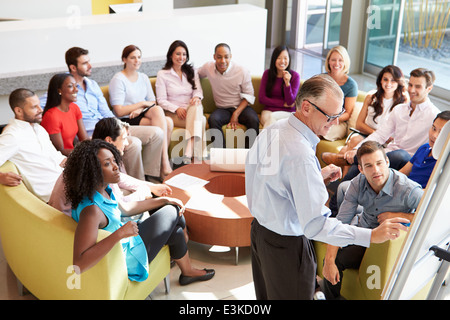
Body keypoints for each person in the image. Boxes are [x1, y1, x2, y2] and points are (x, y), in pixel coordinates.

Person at [245, 74, 409, 300]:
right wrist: (370, 236)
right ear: (306, 107)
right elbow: (316, 226)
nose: (335, 123)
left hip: (259, 233)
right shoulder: (300, 154)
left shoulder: (274, 128)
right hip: (286, 246)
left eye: (339, 115)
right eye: (331, 116)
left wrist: (314, 177)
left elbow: (265, 178)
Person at [64, 139, 215, 285]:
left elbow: (126, 209)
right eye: (107, 164)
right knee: (172, 211)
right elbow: (79, 264)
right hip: (128, 258)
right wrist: (120, 234)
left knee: (173, 223)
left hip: (129, 242)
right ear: (92, 172)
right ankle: (185, 236)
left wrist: (163, 200)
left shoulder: (102, 191)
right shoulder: (91, 211)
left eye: (114, 161)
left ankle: (187, 271)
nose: (116, 167)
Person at [327, 68, 441, 217]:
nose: (412, 90)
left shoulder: (434, 116)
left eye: (418, 86)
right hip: (388, 157)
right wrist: (358, 150)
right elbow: (380, 135)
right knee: (363, 162)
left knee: (399, 154)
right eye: (410, 85)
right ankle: (334, 210)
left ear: (429, 89)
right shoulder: (399, 109)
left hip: (407, 162)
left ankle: (343, 164)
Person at [321, 141, 423, 300]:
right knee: (332, 260)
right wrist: (329, 260)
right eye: (368, 166)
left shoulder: (409, 190)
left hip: (390, 244)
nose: (375, 170)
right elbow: (341, 222)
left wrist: (402, 216)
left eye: (379, 163)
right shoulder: (357, 183)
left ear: (387, 162)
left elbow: (434, 216)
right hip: (366, 234)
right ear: (360, 169)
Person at [63, 47, 164, 181]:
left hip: (110, 127)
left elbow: (106, 112)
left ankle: (151, 177)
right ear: (73, 68)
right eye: (84, 63)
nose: (90, 66)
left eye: (89, 61)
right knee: (133, 143)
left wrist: (121, 127)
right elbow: (46, 102)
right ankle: (139, 184)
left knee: (157, 133)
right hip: (94, 135)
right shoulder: (65, 87)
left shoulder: (92, 85)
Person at [49, 117, 173, 218]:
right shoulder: (99, 165)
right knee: (167, 212)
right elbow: (120, 208)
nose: (127, 143)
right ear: (109, 140)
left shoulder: (92, 155)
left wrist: (150, 186)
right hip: (70, 224)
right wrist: (144, 193)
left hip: (68, 220)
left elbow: (122, 179)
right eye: (124, 138)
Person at [322, 65, 407, 174]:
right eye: (385, 79)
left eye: (393, 80)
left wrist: (386, 137)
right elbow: (359, 124)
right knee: (355, 141)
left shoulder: (403, 103)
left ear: (398, 82)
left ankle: (341, 169)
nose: (388, 84)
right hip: (367, 135)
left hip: (386, 142)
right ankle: (343, 177)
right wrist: (376, 133)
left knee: (345, 150)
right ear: (380, 80)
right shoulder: (371, 97)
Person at [109, 45, 173, 178]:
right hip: (126, 119)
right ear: (124, 59)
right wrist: (142, 104)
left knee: (167, 119)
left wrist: (140, 109)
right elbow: (119, 110)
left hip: (140, 114)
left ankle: (162, 166)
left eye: (139, 57)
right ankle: (163, 166)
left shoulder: (143, 77)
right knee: (166, 122)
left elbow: (153, 102)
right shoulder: (118, 79)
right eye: (132, 57)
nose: (137, 60)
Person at [0, 88, 65, 202]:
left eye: (39, 105)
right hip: (53, 196)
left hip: (66, 184)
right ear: (19, 111)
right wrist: (1, 177)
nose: (40, 110)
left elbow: (57, 159)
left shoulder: (39, 129)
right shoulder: (12, 135)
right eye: (34, 107)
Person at [198, 43, 260, 148]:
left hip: (241, 107)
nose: (222, 61)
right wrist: (196, 94)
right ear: (214, 57)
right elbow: (195, 73)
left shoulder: (242, 71)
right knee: (213, 119)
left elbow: (249, 95)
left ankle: (249, 155)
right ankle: (221, 154)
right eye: (219, 57)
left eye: (226, 57)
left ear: (230, 57)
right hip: (223, 109)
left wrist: (235, 114)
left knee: (253, 120)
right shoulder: (208, 67)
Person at [156, 40, 206, 163]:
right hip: (173, 114)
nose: (181, 57)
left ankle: (188, 152)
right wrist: (176, 109)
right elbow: (161, 100)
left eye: (184, 54)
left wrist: (197, 98)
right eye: (178, 54)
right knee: (202, 120)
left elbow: (198, 91)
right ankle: (198, 159)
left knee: (196, 107)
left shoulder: (192, 71)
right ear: (171, 55)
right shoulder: (163, 74)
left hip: (191, 110)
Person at [41, 73, 89, 156]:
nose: (76, 90)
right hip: (63, 159)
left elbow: (84, 139)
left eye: (76, 86)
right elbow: (59, 151)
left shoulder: (74, 108)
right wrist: (84, 154)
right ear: (59, 90)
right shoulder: (51, 116)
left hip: (76, 154)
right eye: (70, 86)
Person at [259, 45, 300, 129]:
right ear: (274, 59)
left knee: (274, 126)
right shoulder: (267, 74)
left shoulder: (295, 76)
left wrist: (287, 83)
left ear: (289, 59)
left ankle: (263, 142)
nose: (282, 61)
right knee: (271, 121)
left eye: (285, 58)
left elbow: (290, 102)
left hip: (287, 112)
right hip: (269, 111)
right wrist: (282, 104)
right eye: (279, 58)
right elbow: (262, 98)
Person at [322, 45, 358, 141]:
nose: (336, 63)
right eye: (333, 60)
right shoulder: (321, 79)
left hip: (338, 122)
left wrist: (330, 120)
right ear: (328, 61)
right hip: (320, 117)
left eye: (340, 60)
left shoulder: (351, 85)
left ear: (345, 62)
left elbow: (348, 113)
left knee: (317, 130)